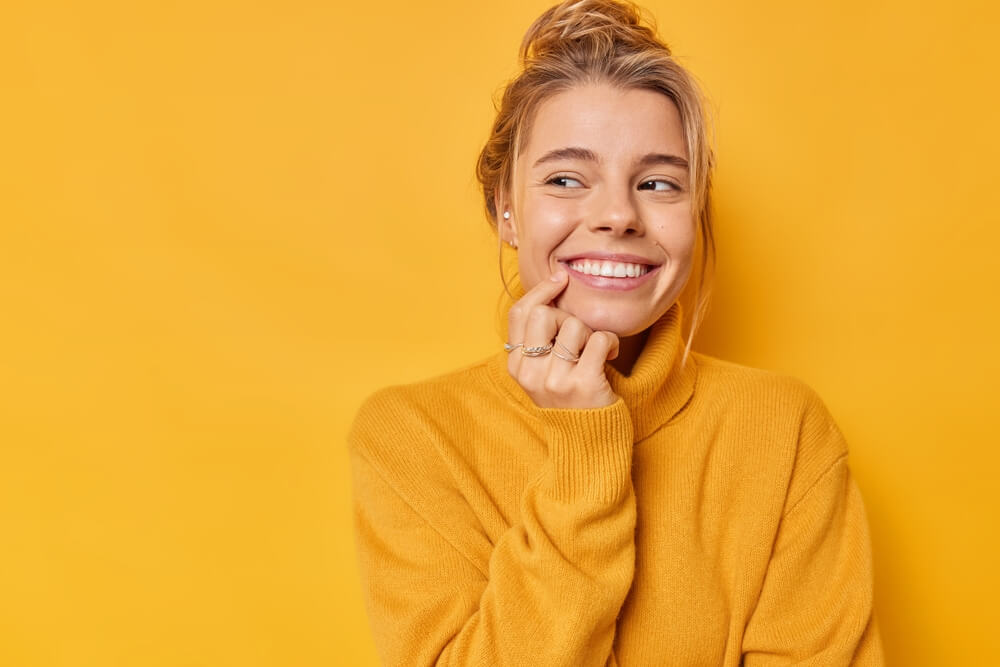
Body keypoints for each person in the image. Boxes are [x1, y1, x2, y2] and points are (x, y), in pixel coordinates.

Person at [348, 0, 885, 664]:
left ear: (694, 210)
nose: (617, 215)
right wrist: (583, 452)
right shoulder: (411, 437)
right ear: (506, 211)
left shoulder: (786, 431)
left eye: (658, 182)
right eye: (567, 178)